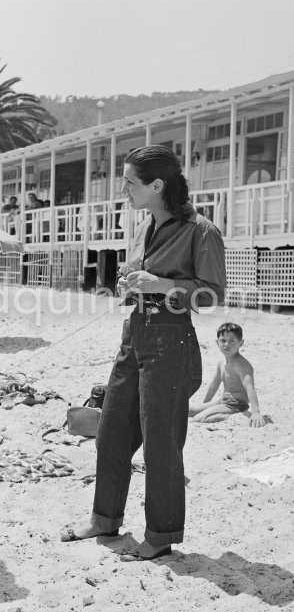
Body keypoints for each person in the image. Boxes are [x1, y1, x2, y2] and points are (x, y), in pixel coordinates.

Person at [61, 145, 226, 561]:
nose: (123, 189)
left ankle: (161, 534)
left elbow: (210, 295)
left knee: (160, 444)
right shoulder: (145, 225)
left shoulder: (201, 230)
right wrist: (130, 283)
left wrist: (156, 284)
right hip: (134, 334)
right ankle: (105, 518)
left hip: (172, 341)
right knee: (111, 432)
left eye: (130, 182)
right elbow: (142, 277)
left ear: (157, 185)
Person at [189, 322, 265, 426]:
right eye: (223, 340)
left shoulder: (241, 365)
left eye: (232, 341)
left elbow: (250, 388)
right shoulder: (221, 363)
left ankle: (229, 417)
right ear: (217, 342)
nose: (226, 344)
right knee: (190, 410)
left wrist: (256, 412)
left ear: (240, 343)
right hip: (223, 401)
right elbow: (213, 385)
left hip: (236, 404)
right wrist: (205, 404)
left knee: (199, 418)